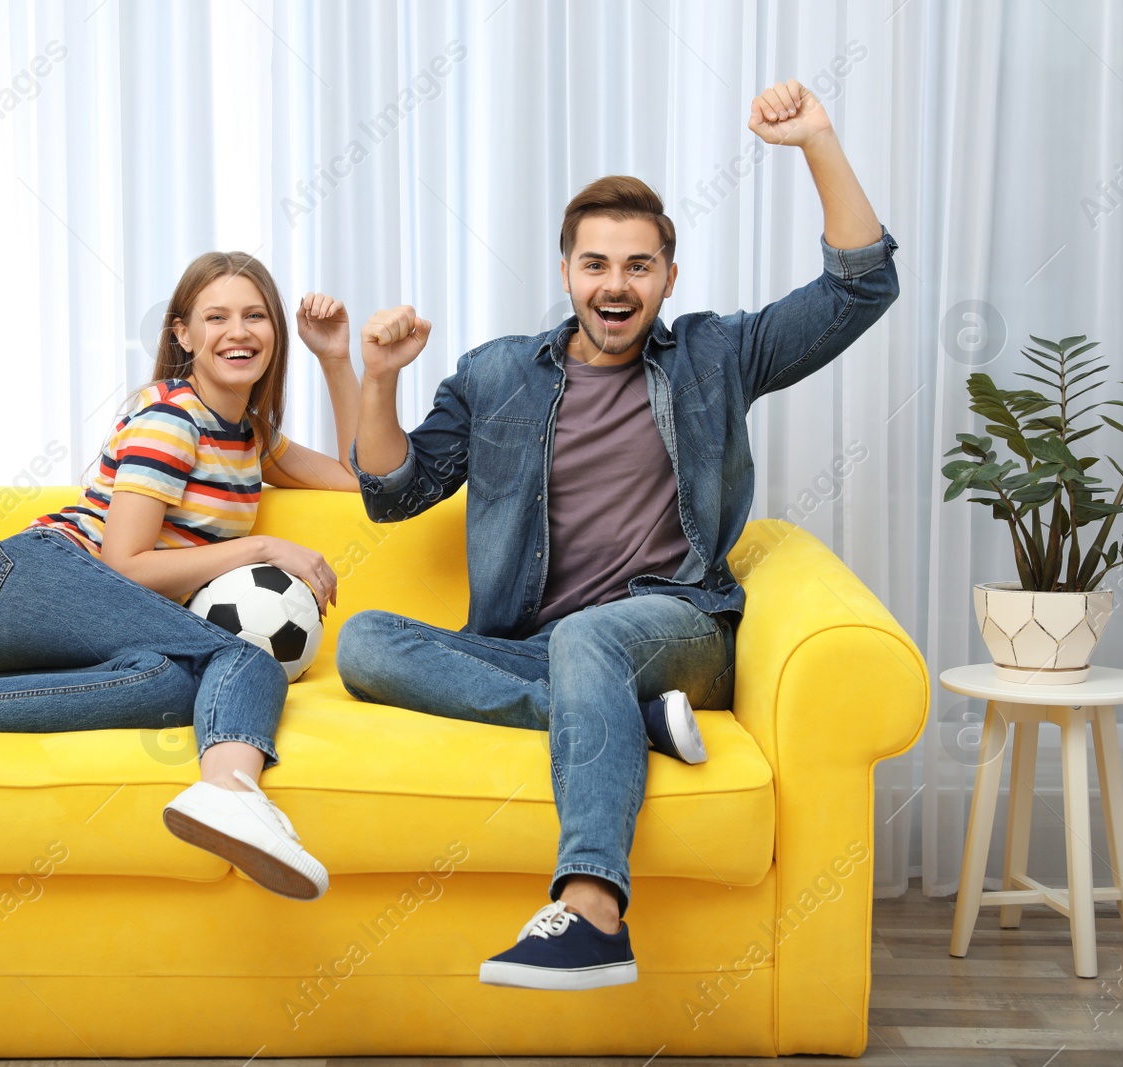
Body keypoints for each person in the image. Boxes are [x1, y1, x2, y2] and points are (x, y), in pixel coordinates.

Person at [336, 79, 900, 987]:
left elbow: (859, 286)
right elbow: (392, 495)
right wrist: (375, 378)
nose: (616, 284)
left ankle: (594, 908)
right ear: (566, 273)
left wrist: (817, 141)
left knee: (597, 634)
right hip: (540, 648)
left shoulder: (718, 355)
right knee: (365, 641)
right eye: (596, 264)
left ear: (668, 279)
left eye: (638, 266)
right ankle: (628, 723)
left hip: (676, 628)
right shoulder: (497, 375)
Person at [0, 251, 363, 902]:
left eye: (256, 316)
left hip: (51, 640)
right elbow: (125, 564)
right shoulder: (171, 418)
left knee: (172, 684)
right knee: (244, 657)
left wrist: (334, 359)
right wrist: (260, 546)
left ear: (276, 333)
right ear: (183, 336)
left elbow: (356, 478)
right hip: (31, 580)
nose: (239, 331)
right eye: (216, 316)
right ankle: (229, 790)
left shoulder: (251, 437)